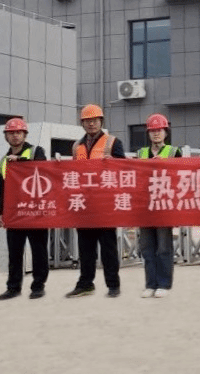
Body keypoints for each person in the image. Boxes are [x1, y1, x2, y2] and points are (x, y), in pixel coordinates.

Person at [65, 103, 126, 298]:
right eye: (87, 121)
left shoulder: (113, 142)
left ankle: (113, 285)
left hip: (105, 204)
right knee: (85, 248)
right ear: (82, 123)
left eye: (94, 120)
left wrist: (114, 162)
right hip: (84, 204)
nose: (91, 124)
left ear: (101, 121)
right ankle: (85, 284)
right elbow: (73, 173)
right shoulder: (77, 146)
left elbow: (126, 170)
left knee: (108, 248)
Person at [0, 117, 49, 300]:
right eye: (11, 133)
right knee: (15, 253)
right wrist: (0, 212)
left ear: (25, 135)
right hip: (15, 213)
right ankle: (13, 287)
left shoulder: (36, 151)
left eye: (18, 132)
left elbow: (43, 169)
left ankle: (38, 286)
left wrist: (18, 160)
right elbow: (0, 189)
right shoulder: (3, 161)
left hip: (35, 211)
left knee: (39, 251)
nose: (15, 136)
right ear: (6, 136)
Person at [137, 112, 180, 299]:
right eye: (152, 130)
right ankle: (150, 284)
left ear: (166, 132)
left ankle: (163, 283)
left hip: (164, 205)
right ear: (148, 133)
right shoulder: (141, 153)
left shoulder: (174, 152)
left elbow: (180, 177)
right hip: (145, 207)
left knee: (163, 247)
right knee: (147, 247)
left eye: (159, 130)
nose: (156, 133)